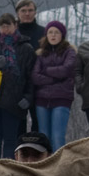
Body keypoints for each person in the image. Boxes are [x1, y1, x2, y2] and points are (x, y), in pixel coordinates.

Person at [0, 13, 36, 161]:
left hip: (14, 101)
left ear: (15, 26)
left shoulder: (26, 48)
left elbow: (32, 76)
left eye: (8, 25)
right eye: (2, 26)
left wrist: (28, 97)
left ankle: (8, 171)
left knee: (11, 140)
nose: (5, 29)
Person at [32, 21, 77, 150]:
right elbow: (35, 76)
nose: (53, 35)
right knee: (44, 136)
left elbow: (66, 69)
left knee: (58, 136)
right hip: (42, 99)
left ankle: (59, 166)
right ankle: (45, 165)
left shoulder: (69, 52)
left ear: (62, 35)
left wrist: (46, 71)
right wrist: (54, 79)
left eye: (56, 32)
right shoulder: (41, 53)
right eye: (50, 32)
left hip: (61, 98)